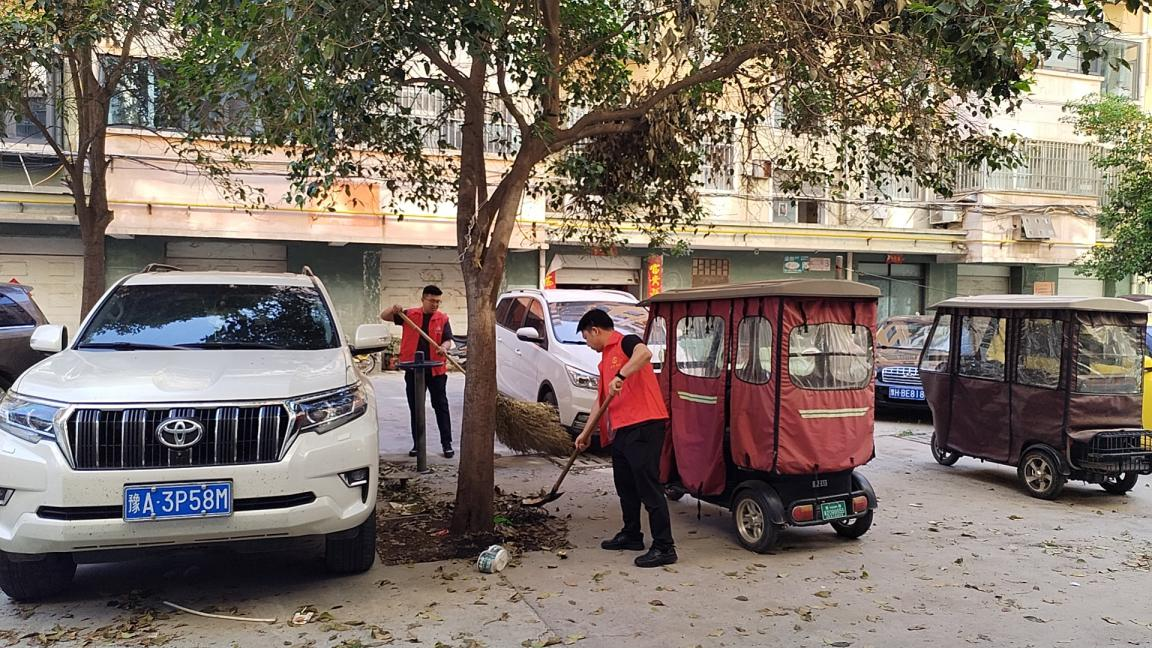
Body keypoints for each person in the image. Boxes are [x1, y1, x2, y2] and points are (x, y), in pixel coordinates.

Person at [574, 308, 676, 568]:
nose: (588, 344)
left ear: (595, 330)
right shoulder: (603, 360)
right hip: (623, 429)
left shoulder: (626, 342)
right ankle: (632, 534)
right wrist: (585, 434)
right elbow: (600, 402)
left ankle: (665, 546)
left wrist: (622, 375)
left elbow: (645, 354)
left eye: (586, 338)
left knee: (648, 487)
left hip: (645, 425)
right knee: (625, 486)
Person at [381, 285, 456, 458]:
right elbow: (384, 316)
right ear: (423, 299)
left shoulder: (442, 318)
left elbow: (447, 339)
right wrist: (393, 309)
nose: (435, 304)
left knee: (441, 407)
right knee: (416, 408)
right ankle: (418, 444)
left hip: (436, 370)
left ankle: (447, 444)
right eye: (432, 301)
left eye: (438, 301)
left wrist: (444, 347)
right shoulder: (409, 315)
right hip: (414, 370)